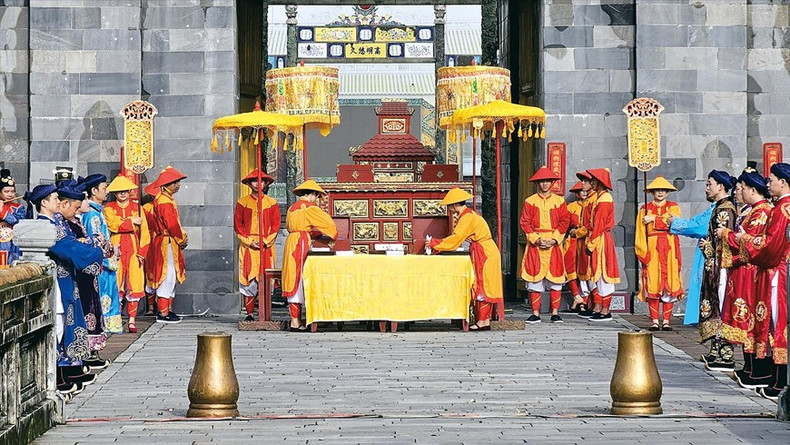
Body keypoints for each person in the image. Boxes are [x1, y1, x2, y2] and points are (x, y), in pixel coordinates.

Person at [25, 183, 103, 396]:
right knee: (57, 330)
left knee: (60, 329)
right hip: (58, 284)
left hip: (65, 281)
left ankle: (60, 377)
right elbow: (70, 249)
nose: (58, 202)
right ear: (43, 202)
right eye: (54, 199)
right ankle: (53, 382)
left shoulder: (54, 225)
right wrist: (96, 250)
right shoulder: (45, 227)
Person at [726, 162, 790, 400]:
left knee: (777, 325)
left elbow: (771, 246)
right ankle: (775, 377)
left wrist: (745, 241)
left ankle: (780, 380)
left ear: (782, 182)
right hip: (775, 271)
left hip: (777, 272)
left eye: (771, 180)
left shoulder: (782, 209)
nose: (768, 184)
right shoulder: (780, 207)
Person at [716, 168, 772, 389]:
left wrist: (725, 235)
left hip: (750, 271)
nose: (737, 192)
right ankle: (749, 366)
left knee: (750, 317)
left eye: (740, 188)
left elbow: (748, 243)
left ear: (751, 189)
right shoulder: (751, 211)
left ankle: (758, 369)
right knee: (742, 316)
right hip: (741, 270)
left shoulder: (762, 212)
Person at [430, 188, 504, 330]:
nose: (449, 209)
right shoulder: (468, 215)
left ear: (453, 205)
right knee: (484, 283)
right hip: (485, 250)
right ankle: (484, 320)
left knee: (483, 284)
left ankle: (482, 321)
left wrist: (434, 243)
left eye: (449, 206)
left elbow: (456, 239)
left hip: (484, 252)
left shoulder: (467, 217)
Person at [64, 179, 112, 370]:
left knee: (91, 309)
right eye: (82, 199)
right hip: (79, 273)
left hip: (88, 272)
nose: (85, 202)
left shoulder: (76, 221)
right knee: (83, 312)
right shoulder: (73, 222)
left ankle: (88, 353)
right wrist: (96, 244)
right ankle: (77, 359)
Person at [281, 180, 337, 331]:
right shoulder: (309, 207)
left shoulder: (292, 208)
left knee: (292, 277)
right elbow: (329, 223)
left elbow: (291, 226)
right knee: (299, 277)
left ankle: (296, 319)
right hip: (301, 242)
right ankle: (295, 321)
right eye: (317, 196)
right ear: (312, 195)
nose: (317, 199)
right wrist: (332, 235)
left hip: (291, 241)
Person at [519, 166, 570, 323]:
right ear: (537, 183)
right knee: (534, 279)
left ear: (552, 183)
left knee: (555, 279)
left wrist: (555, 239)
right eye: (542, 181)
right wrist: (536, 239)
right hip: (536, 243)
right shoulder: (530, 201)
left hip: (554, 244)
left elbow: (564, 221)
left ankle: (555, 312)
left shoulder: (559, 201)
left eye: (548, 181)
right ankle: (536, 313)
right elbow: (525, 222)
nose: (545, 184)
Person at [698, 170, 738, 371]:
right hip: (714, 265)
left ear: (720, 186)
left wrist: (706, 246)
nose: (707, 188)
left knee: (721, 305)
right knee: (714, 304)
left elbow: (724, 243)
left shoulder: (725, 210)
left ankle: (726, 352)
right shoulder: (720, 208)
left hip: (720, 266)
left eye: (709, 184)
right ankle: (716, 349)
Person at [635, 176, 683, 331]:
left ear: (668, 192)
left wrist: (653, 218)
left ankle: (667, 321)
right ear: (652, 192)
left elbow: (672, 223)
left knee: (670, 282)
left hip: (669, 248)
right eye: (657, 190)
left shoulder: (674, 207)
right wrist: (642, 251)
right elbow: (640, 233)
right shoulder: (644, 209)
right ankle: (655, 320)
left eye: (663, 190)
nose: (660, 192)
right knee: (653, 284)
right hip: (652, 248)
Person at [104, 175, 150, 333]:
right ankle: (115, 317)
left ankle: (131, 320)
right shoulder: (109, 208)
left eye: (125, 191)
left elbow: (145, 233)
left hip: (133, 248)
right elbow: (112, 225)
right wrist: (131, 222)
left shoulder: (137, 207)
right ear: (114, 193)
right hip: (116, 248)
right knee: (116, 283)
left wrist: (142, 252)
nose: (122, 194)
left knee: (134, 284)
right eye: (119, 191)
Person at [234, 169, 280, 321]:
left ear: (265, 183)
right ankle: (249, 314)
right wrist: (249, 241)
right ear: (249, 183)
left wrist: (265, 242)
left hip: (266, 246)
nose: (257, 184)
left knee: (266, 280)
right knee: (248, 280)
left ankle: (265, 314)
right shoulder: (242, 202)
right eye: (254, 181)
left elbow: (275, 226)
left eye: (260, 181)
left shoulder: (272, 203)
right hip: (248, 247)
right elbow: (238, 226)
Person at [80, 174, 123, 334]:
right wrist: (109, 253)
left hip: (106, 261)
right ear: (94, 190)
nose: (107, 191)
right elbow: (95, 242)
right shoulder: (92, 214)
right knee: (104, 297)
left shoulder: (97, 212)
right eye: (104, 188)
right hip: (101, 265)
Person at [149, 166, 188, 323]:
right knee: (168, 274)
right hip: (168, 242)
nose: (178, 185)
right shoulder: (165, 201)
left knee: (171, 274)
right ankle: (163, 313)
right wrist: (182, 239)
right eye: (175, 182)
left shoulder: (163, 198)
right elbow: (172, 225)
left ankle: (167, 310)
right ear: (167, 184)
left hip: (168, 241)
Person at [667, 204, 713, 326]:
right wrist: (677, 221)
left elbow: (701, 227)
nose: (707, 189)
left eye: (710, 184)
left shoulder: (723, 208)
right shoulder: (714, 207)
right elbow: (696, 221)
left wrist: (676, 223)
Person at [584, 168, 621, 321]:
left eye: (593, 180)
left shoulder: (604, 199)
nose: (591, 182)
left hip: (601, 239)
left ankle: (605, 310)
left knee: (604, 273)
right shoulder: (600, 197)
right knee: (598, 274)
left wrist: (591, 243)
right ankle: (600, 307)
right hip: (598, 237)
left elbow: (599, 224)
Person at [575, 171, 599, 317]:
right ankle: (590, 305)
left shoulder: (595, 199)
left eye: (585, 181)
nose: (582, 184)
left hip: (592, 240)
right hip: (584, 240)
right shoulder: (588, 199)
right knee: (585, 274)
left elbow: (592, 224)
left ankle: (597, 306)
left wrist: (577, 232)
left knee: (593, 274)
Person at [561, 181, 586, 313]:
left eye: (586, 190)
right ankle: (577, 296)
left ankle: (585, 302)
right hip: (573, 241)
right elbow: (565, 225)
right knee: (570, 270)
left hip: (587, 240)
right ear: (577, 193)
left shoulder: (593, 204)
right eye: (581, 191)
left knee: (586, 270)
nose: (584, 193)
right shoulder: (571, 207)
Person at [1, 168, 25, 269]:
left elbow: (19, 222)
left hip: (12, 245)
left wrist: (3, 213)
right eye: (6, 191)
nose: (10, 194)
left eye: (12, 191)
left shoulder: (18, 208)